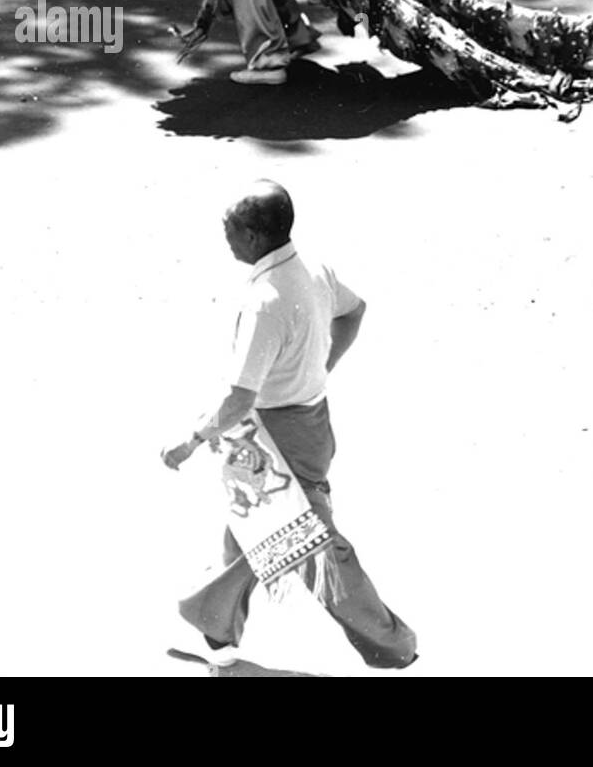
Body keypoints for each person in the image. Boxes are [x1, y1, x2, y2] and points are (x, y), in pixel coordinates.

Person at [164, 180, 418, 671]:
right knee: (251, 519)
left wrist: (191, 440)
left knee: (312, 544)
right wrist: (321, 366)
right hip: (310, 422)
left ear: (256, 237)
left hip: (276, 434)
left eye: (231, 229)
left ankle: (392, 644)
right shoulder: (313, 270)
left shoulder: (265, 300)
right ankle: (217, 621)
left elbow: (240, 397)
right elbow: (354, 311)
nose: (226, 237)